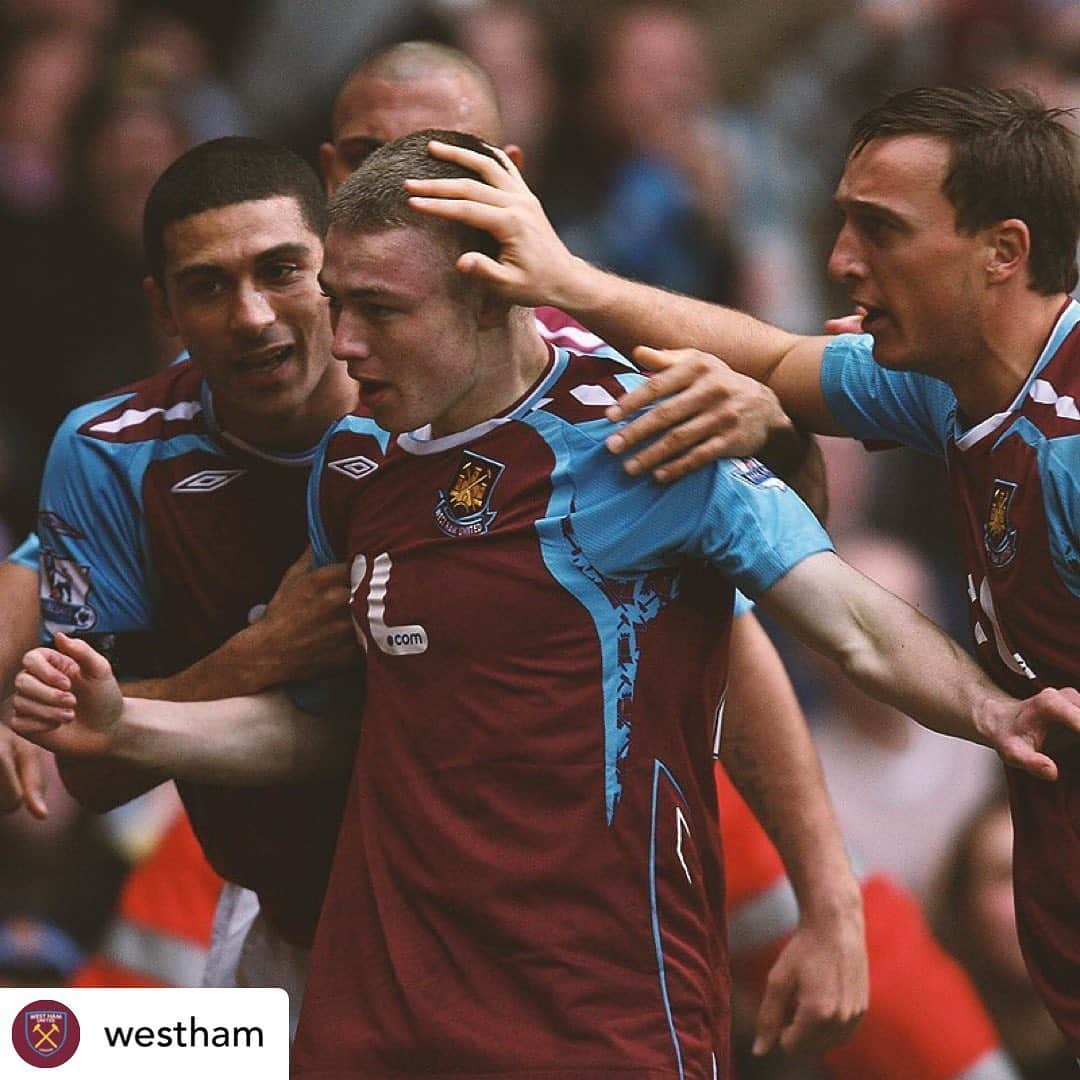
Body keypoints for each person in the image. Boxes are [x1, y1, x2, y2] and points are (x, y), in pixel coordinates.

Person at [15, 130, 1080, 1079]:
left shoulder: (644, 436)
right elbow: (330, 736)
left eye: (378, 311)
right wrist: (135, 720)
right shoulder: (350, 468)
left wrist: (989, 716)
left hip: (593, 1016)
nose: (342, 345)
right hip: (370, 1016)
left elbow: (841, 621)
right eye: (339, 307)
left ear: (490, 294)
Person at [401, 84, 1080, 1050]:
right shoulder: (956, 384)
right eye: (843, 222)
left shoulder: (1067, 447)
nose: (841, 261)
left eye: (880, 231)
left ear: (1002, 251)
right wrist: (569, 279)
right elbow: (771, 359)